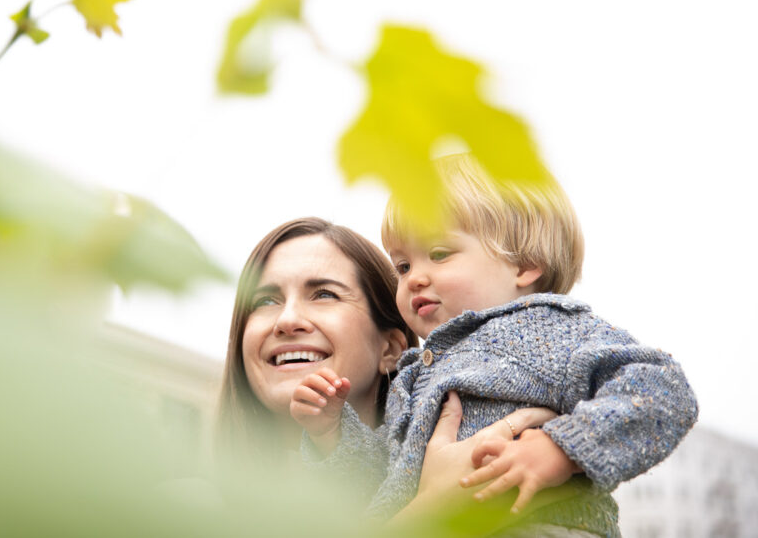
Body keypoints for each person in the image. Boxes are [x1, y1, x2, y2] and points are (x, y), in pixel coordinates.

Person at [291, 154, 698, 536]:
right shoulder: (414, 376)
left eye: (438, 253)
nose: (413, 278)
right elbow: (388, 482)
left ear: (523, 264)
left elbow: (663, 390)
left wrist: (562, 448)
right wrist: (334, 434)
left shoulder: (551, 329)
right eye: (403, 265)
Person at [214, 216, 560, 526]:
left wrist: (559, 451)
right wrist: (433, 507)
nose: (287, 320)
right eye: (264, 301)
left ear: (392, 349)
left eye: (323, 294)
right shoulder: (193, 509)